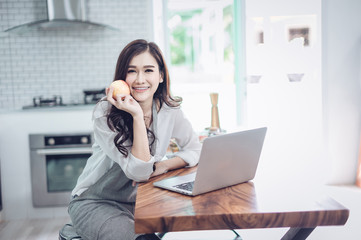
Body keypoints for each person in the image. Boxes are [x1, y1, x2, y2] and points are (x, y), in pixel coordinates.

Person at [60, 39, 202, 240]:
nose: (140, 79)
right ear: (122, 77)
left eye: (148, 70)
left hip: (141, 202)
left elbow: (196, 149)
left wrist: (164, 165)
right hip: (96, 202)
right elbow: (139, 172)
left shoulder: (169, 110)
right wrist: (136, 115)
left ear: (161, 76)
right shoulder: (105, 113)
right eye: (132, 71)